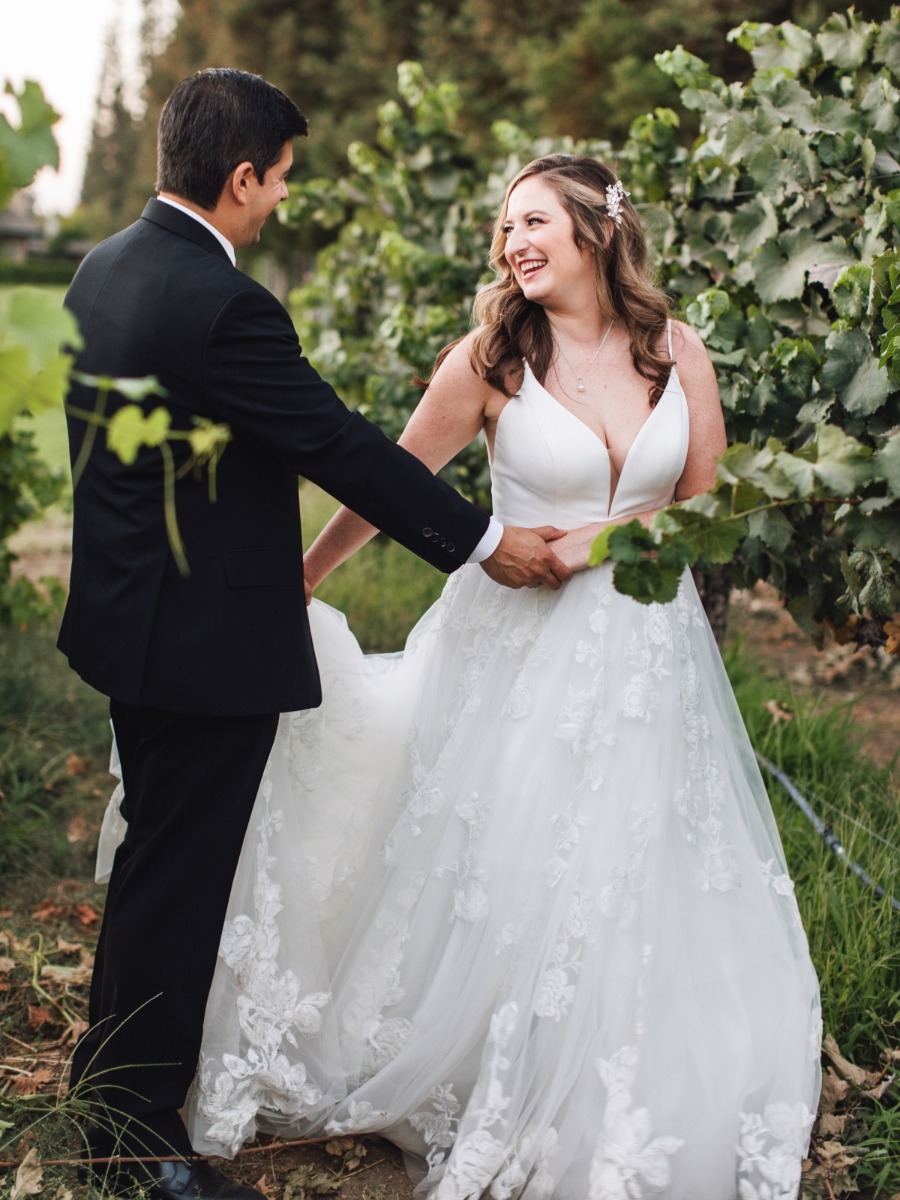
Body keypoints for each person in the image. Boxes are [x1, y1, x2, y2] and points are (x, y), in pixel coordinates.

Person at [100, 154, 822, 1198]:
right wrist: (304, 575)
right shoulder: (492, 359)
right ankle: (494, 1060)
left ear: (598, 229)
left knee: (638, 854)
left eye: (534, 220)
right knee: (522, 857)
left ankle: (621, 1065)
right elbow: (390, 478)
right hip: (514, 658)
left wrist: (603, 540)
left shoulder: (679, 351)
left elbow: (709, 501)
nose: (513, 242)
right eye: (505, 226)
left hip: (647, 653)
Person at [59, 70, 571, 1200]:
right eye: (282, 176)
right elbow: (335, 442)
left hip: (126, 621)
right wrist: (485, 542)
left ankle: (106, 1093)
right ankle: (137, 1145)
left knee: (153, 867)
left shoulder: (105, 269)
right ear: (242, 177)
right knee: (180, 884)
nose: (283, 196)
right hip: (204, 646)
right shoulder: (225, 301)